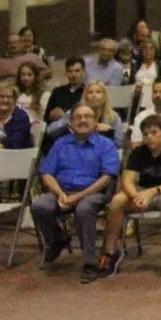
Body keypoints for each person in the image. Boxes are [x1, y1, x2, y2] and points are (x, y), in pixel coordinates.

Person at [30, 105, 121, 283]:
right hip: (61, 191)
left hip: (92, 194)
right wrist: (61, 194)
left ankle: (89, 261)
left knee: (84, 209)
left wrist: (77, 197)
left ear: (96, 122)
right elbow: (47, 173)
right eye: (78, 117)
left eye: (88, 117)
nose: (83, 120)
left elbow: (107, 177)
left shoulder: (105, 145)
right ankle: (57, 240)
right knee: (39, 205)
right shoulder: (60, 143)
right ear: (71, 123)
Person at [97, 114, 161, 278]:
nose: (150, 137)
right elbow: (128, 179)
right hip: (141, 192)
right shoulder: (138, 152)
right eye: (146, 134)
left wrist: (152, 192)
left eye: (154, 133)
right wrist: (136, 196)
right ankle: (110, 253)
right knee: (118, 200)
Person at [0, 81, 34, 149]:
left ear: (14, 99)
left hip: (17, 157)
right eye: (1, 96)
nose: (5, 100)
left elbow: (15, 144)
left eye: (9, 97)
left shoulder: (21, 117)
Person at [44, 58, 87, 125]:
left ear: (84, 71)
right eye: (70, 71)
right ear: (66, 73)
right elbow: (46, 118)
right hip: (58, 131)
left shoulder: (89, 91)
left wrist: (65, 115)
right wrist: (52, 115)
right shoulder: (57, 91)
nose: (73, 75)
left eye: (77, 71)